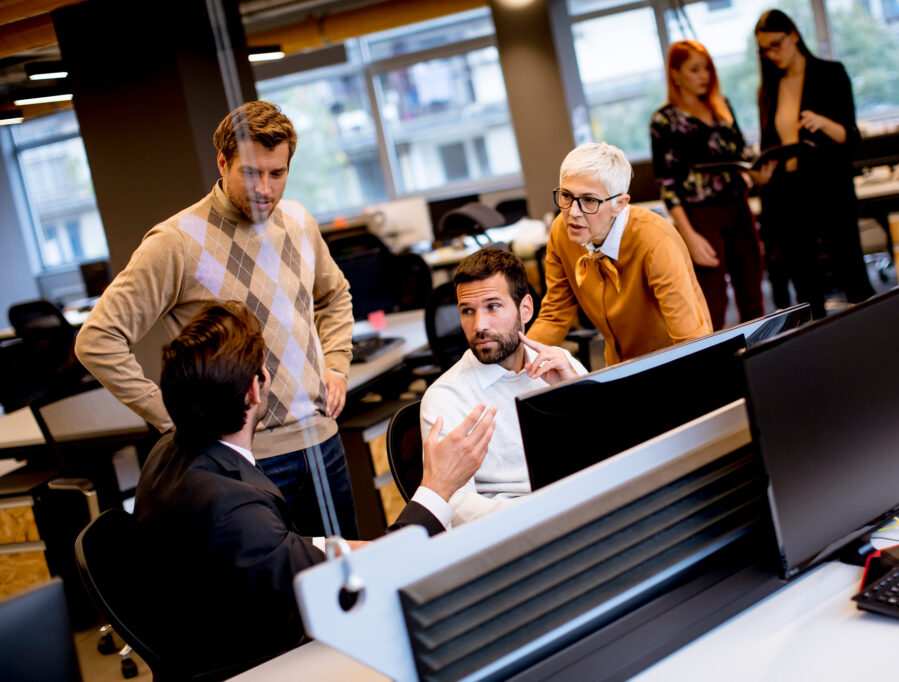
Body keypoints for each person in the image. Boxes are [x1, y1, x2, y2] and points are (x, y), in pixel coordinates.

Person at [134, 301, 496, 677]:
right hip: (258, 662)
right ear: (254, 393)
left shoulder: (172, 451)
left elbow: (279, 552)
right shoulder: (232, 509)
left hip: (211, 627)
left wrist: (350, 548)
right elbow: (381, 573)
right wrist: (437, 487)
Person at [75, 101, 360, 538]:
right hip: (245, 461)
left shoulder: (300, 223)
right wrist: (174, 418)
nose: (265, 189)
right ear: (222, 162)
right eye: (251, 173)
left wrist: (337, 364)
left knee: (350, 587)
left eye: (277, 174)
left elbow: (334, 295)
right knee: (276, 599)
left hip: (323, 445)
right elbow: (97, 339)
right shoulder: (176, 242)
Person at [420, 249, 586, 526]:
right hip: (511, 531)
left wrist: (576, 392)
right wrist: (542, 513)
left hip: (579, 511)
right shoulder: (444, 398)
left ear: (526, 310)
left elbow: (607, 452)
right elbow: (454, 503)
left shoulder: (560, 365)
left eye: (493, 307)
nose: (479, 325)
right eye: (467, 311)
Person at [528, 142, 713, 365]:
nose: (572, 213)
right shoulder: (561, 231)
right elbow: (554, 314)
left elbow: (690, 340)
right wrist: (512, 366)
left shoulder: (655, 241)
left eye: (589, 200)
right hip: (618, 365)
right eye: (566, 196)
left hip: (674, 362)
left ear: (620, 204)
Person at [754, 9, 874, 318]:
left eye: (776, 45)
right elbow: (771, 144)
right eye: (764, 49)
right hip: (788, 194)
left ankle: (874, 340)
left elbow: (851, 135)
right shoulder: (768, 89)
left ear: (794, 34)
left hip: (830, 189)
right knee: (806, 288)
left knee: (853, 276)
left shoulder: (830, 73)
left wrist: (823, 123)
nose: (771, 54)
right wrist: (763, 174)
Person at [650, 40, 764, 330]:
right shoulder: (665, 120)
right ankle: (718, 369)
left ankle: (762, 363)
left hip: (738, 207)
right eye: (695, 70)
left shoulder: (721, 105)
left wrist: (759, 172)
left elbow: (741, 154)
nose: (704, 76)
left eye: (708, 69)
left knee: (753, 294)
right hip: (701, 216)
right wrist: (688, 234)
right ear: (675, 74)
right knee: (712, 303)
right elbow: (667, 184)